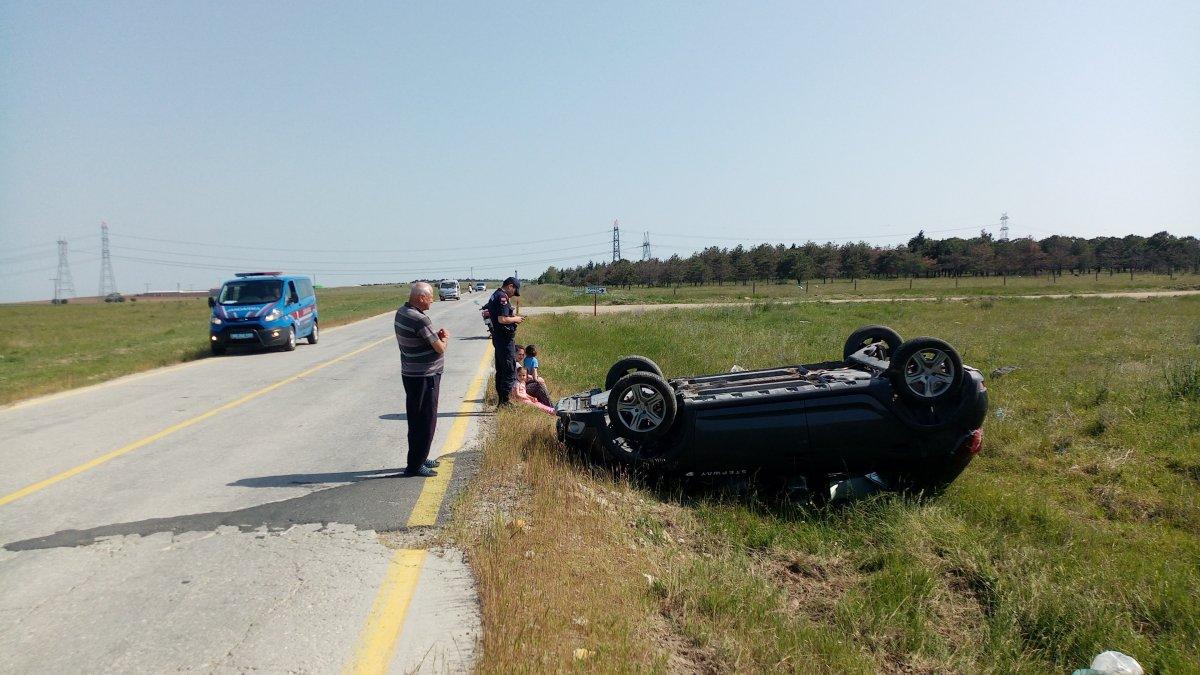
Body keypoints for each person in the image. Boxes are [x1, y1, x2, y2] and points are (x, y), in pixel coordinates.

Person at [394, 282, 449, 477]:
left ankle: (420, 456)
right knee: (426, 420)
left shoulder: (401, 312)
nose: (433, 300)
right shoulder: (419, 319)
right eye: (431, 296)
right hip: (425, 376)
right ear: (421, 298)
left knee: (417, 418)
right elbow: (440, 348)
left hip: (411, 373)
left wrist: (435, 337)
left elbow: (424, 339)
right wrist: (444, 338)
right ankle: (415, 465)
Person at [486, 277, 524, 405]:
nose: (513, 294)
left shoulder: (495, 294)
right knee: (508, 369)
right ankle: (505, 401)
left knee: (501, 370)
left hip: (498, 338)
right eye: (514, 291)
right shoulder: (502, 297)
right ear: (510, 286)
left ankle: (502, 400)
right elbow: (502, 319)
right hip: (504, 339)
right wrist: (516, 319)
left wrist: (511, 316)